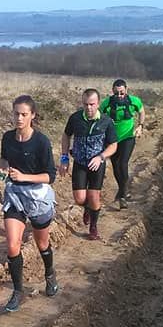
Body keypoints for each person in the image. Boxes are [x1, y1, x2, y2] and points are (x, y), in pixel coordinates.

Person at [0, 94, 59, 313]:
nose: (18, 118)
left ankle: (49, 274)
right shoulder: (7, 138)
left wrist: (25, 177)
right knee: (12, 244)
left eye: (23, 114)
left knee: (42, 243)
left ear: (32, 115)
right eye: (15, 114)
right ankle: (18, 291)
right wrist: (1, 171)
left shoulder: (41, 142)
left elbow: (50, 176)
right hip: (15, 196)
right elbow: (4, 160)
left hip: (38, 196)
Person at [60, 88, 118, 241]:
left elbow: (113, 145)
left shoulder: (106, 121)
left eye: (92, 104)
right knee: (79, 198)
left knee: (94, 196)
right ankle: (87, 209)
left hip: (97, 164)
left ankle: (93, 225)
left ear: (98, 104)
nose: (89, 108)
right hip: (79, 162)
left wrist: (101, 157)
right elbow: (66, 135)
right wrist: (64, 158)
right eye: (85, 104)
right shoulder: (75, 118)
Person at [100, 79, 145, 208]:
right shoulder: (107, 103)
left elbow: (141, 111)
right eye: (116, 93)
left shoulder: (134, 101)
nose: (119, 96)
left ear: (126, 90)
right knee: (115, 165)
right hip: (112, 139)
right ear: (112, 91)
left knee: (122, 162)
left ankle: (122, 194)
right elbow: (99, 116)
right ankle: (122, 190)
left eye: (121, 93)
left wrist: (140, 126)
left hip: (128, 137)